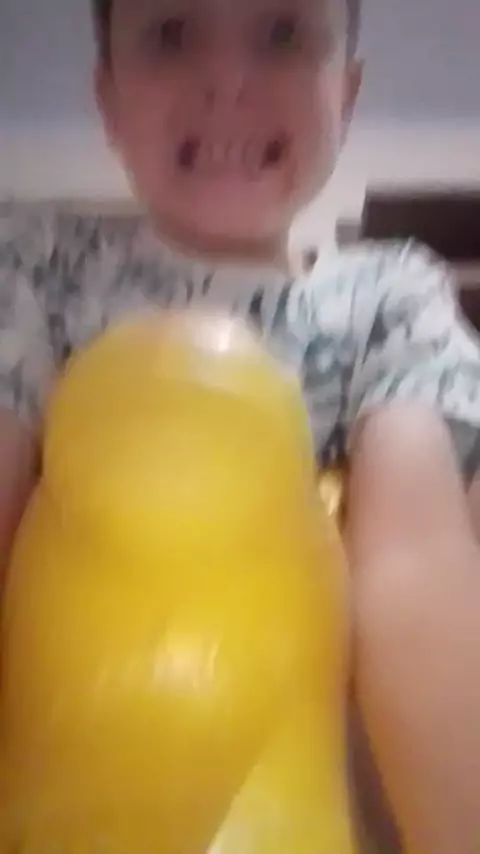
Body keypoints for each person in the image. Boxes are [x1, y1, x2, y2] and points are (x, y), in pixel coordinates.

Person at [1, 0, 480, 850]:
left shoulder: (388, 297)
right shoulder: (39, 266)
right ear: (108, 98)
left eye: (283, 33)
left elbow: (417, 565)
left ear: (347, 95)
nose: (226, 81)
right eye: (172, 34)